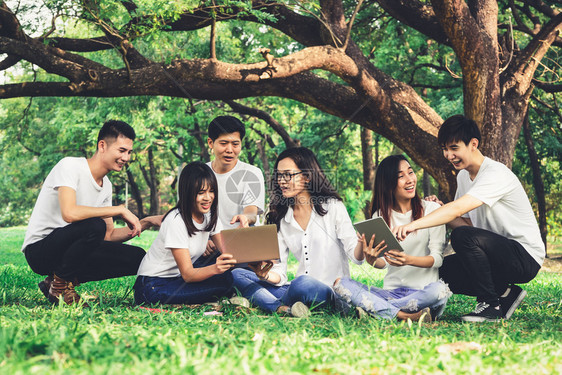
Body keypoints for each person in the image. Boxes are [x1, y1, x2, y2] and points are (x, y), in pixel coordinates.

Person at [394, 115, 545, 322]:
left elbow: (458, 213)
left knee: (463, 236)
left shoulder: (495, 173)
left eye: (454, 148)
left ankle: (490, 305)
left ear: (473, 144)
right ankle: (505, 294)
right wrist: (440, 209)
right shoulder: (464, 176)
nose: (448, 155)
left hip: (524, 257)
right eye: (445, 149)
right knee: (440, 272)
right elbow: (466, 223)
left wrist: (414, 224)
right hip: (496, 254)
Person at [22, 120, 162, 306]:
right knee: (95, 224)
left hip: (69, 251)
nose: (126, 157)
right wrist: (119, 210)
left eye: (129, 152)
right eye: (121, 150)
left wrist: (146, 223)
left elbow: (109, 235)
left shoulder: (106, 186)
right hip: (40, 251)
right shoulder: (70, 166)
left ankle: (55, 282)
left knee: (137, 257)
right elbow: (69, 213)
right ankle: (60, 287)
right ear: (102, 145)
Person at [231, 147, 364, 317]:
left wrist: (363, 245)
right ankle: (283, 308)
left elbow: (356, 257)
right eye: (279, 175)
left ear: (307, 177)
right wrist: (264, 275)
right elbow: (279, 272)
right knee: (237, 274)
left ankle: (269, 303)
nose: (281, 181)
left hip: (328, 292)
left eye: (288, 175)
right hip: (294, 290)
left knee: (302, 283)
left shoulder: (333, 207)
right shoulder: (281, 216)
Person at [333, 155, 451, 322]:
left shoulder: (432, 210)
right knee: (341, 283)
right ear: (388, 184)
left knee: (439, 290)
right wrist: (371, 259)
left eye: (410, 172)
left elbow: (437, 259)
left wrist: (408, 260)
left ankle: (378, 308)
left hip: (424, 292)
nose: (410, 180)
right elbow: (384, 262)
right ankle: (405, 315)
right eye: (401, 177)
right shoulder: (380, 215)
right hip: (391, 292)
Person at [134, 162, 236, 305]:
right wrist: (216, 268)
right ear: (188, 193)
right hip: (153, 286)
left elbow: (228, 253)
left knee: (228, 277)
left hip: (178, 279)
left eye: (211, 191)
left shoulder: (209, 215)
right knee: (224, 285)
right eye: (201, 193)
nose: (208, 198)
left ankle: (208, 296)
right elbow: (188, 274)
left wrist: (256, 259)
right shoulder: (176, 220)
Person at [203, 115, 266, 259]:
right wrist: (202, 239)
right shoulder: (199, 174)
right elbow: (188, 216)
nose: (230, 150)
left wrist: (245, 218)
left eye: (235, 144)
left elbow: (251, 213)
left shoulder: (252, 173)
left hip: (240, 245)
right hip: (207, 248)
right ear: (211, 143)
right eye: (224, 143)